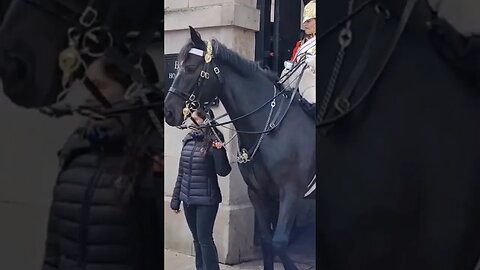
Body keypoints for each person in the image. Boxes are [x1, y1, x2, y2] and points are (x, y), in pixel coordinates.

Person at [41, 53, 163, 270]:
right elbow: (54, 250)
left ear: (132, 91)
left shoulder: (153, 162)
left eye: (99, 86)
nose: (88, 96)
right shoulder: (76, 153)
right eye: (87, 86)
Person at [170, 110, 231, 270]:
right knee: (196, 239)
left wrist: (219, 151)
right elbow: (181, 172)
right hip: (188, 199)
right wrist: (175, 200)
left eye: (193, 119)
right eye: (189, 119)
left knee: (205, 239)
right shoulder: (188, 140)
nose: (189, 122)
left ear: (205, 120)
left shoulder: (213, 141)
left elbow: (223, 171)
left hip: (206, 200)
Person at [281, 0, 316, 118]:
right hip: (297, 86)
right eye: (304, 21)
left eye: (308, 21)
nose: (304, 24)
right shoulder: (300, 44)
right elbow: (294, 62)